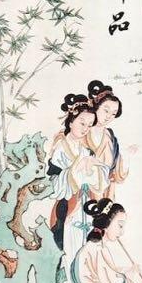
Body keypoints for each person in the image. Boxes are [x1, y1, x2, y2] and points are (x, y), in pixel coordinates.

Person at [46, 94, 110, 261]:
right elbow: (54, 184)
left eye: (89, 125)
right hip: (69, 206)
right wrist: (78, 167)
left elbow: (102, 179)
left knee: (87, 249)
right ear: (71, 121)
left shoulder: (86, 150)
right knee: (71, 249)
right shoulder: (60, 148)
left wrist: (93, 167)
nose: (85, 129)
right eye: (82, 123)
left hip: (88, 205)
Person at [85, 80, 135, 199]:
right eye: (106, 110)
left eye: (113, 114)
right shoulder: (82, 132)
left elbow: (117, 175)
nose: (108, 116)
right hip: (84, 194)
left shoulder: (110, 136)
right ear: (96, 107)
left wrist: (126, 156)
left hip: (106, 194)